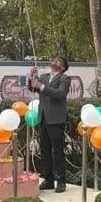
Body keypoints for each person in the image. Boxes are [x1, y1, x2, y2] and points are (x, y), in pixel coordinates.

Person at [29, 56, 70, 193]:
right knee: (44, 150)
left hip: (56, 119)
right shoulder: (44, 76)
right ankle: (48, 179)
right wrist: (32, 76)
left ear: (62, 67)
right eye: (54, 60)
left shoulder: (64, 78)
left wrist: (42, 87)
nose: (54, 61)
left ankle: (61, 181)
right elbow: (32, 88)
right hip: (43, 118)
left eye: (58, 61)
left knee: (57, 151)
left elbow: (60, 94)